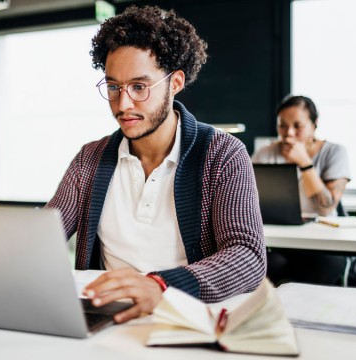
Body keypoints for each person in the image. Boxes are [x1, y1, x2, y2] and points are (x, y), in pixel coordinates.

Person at [45, 5, 266, 324]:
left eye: (139, 87)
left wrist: (160, 285)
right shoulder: (90, 158)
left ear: (175, 83)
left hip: (186, 321)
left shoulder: (222, 153)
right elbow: (45, 233)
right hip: (108, 321)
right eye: (113, 87)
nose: (123, 105)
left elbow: (247, 258)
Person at [252, 95, 354, 286]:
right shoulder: (265, 153)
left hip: (324, 243)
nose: (288, 133)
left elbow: (325, 207)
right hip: (279, 239)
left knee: (318, 270)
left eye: (297, 126)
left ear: (314, 125)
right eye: (282, 125)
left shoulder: (335, 153)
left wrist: (305, 164)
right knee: (263, 267)